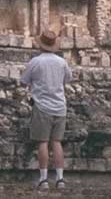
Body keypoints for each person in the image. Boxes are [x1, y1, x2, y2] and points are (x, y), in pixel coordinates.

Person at [20, 29, 73, 190]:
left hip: (42, 106)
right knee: (57, 143)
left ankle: (43, 179)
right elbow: (68, 79)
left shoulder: (35, 62)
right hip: (60, 107)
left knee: (42, 142)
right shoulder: (61, 62)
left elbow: (24, 81)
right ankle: (60, 179)